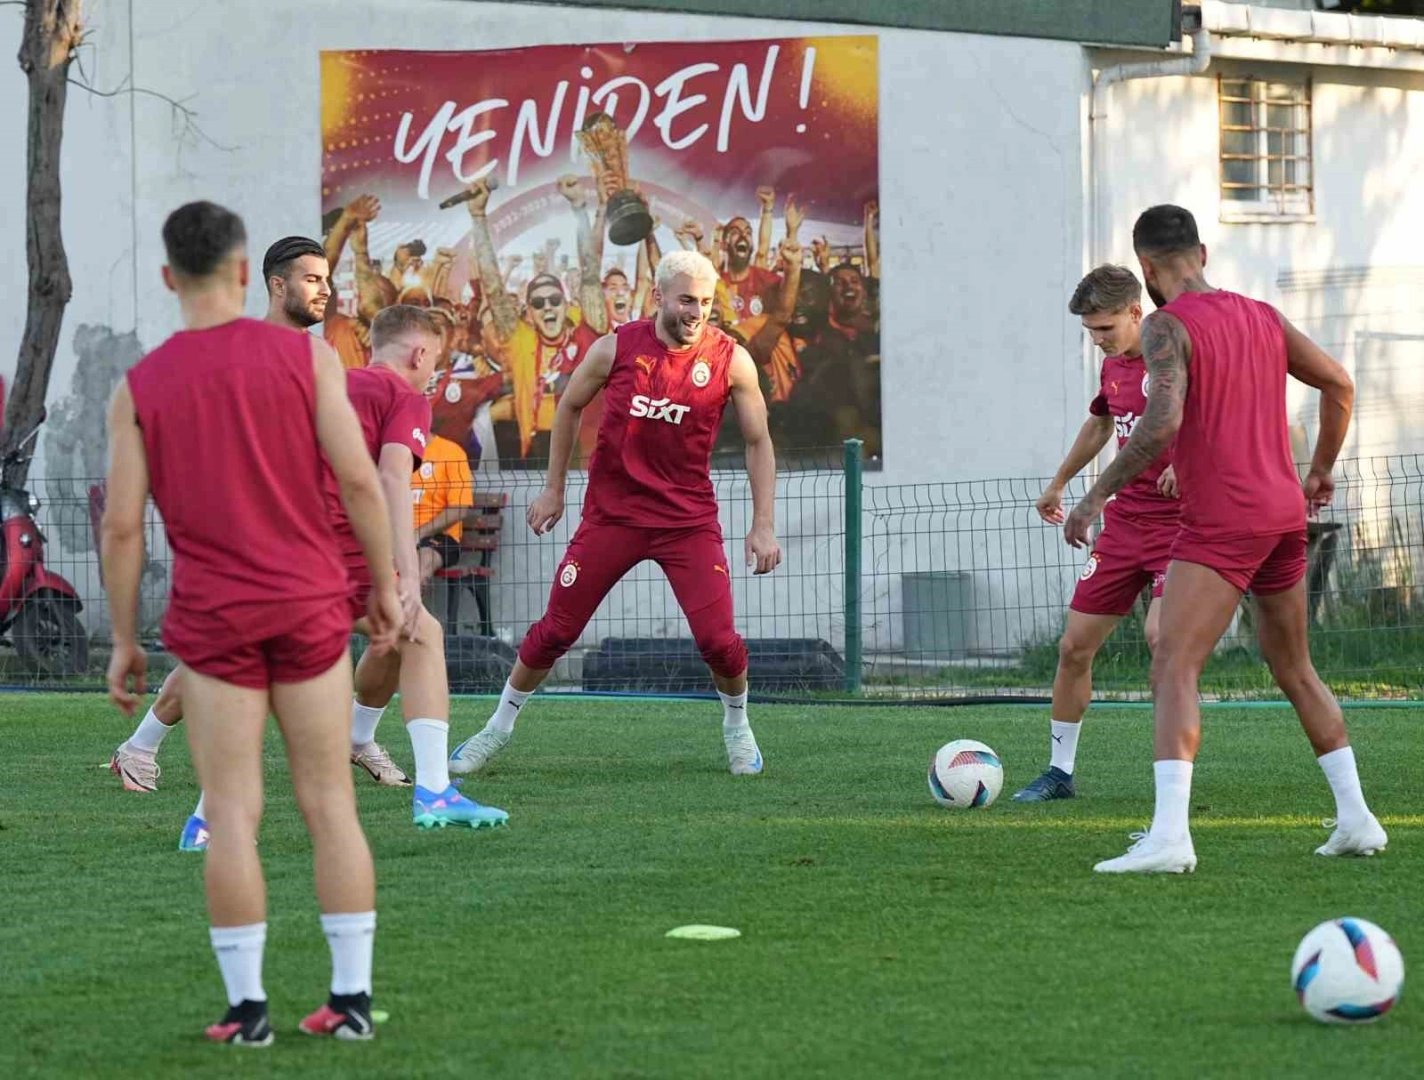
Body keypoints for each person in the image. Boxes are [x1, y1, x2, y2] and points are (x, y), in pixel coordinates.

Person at [103, 201, 401, 1043]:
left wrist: (123, 638)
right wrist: (384, 583)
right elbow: (359, 480)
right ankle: (350, 1004)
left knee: (232, 812)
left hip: (215, 621)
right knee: (329, 803)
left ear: (170, 278)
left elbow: (122, 528)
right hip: (309, 606)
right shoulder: (309, 360)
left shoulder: (140, 386)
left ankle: (248, 1013)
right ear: (245, 274)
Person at [113, 245, 506, 844]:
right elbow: (385, 480)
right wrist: (402, 572)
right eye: (312, 279)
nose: (323, 290)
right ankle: (430, 789)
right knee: (391, 637)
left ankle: (221, 799)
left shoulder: (327, 371)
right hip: (317, 552)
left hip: (276, 542)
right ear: (421, 355)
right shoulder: (381, 389)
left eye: (326, 279)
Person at [1064, 205, 1386, 874]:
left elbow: (1159, 421)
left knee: (1173, 664)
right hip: (1283, 516)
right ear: (1203, 254)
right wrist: (1322, 468)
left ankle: (1169, 838)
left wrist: (1095, 496)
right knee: (1293, 666)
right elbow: (1339, 383)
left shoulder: (1167, 325)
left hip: (1222, 523)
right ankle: (1356, 819)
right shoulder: (1263, 316)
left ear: (1146, 268)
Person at [449, 250, 782, 776]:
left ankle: (738, 727)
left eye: (705, 302)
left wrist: (762, 524)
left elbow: (759, 441)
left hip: (687, 523)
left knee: (719, 642)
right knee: (555, 632)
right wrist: (553, 489)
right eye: (686, 300)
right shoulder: (614, 349)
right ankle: (496, 728)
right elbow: (568, 407)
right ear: (658, 296)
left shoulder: (731, 359)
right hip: (612, 518)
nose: (697, 312)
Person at [1013, 266, 1179, 802]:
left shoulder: (1173, 356)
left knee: (1162, 640)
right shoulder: (1113, 366)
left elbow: (1215, 417)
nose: (1098, 339)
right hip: (1126, 525)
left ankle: (1172, 780)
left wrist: (1190, 464)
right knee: (1073, 647)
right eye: (1090, 331)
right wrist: (1059, 482)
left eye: (1105, 328)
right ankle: (1059, 772)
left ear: (1136, 312)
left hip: (1182, 527)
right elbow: (1103, 423)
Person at [411, 432, 475, 587]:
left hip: (439, 537)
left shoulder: (451, 452)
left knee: (424, 559)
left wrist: (418, 533)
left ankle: (409, 599)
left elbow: (459, 509)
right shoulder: (391, 453)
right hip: (396, 535)